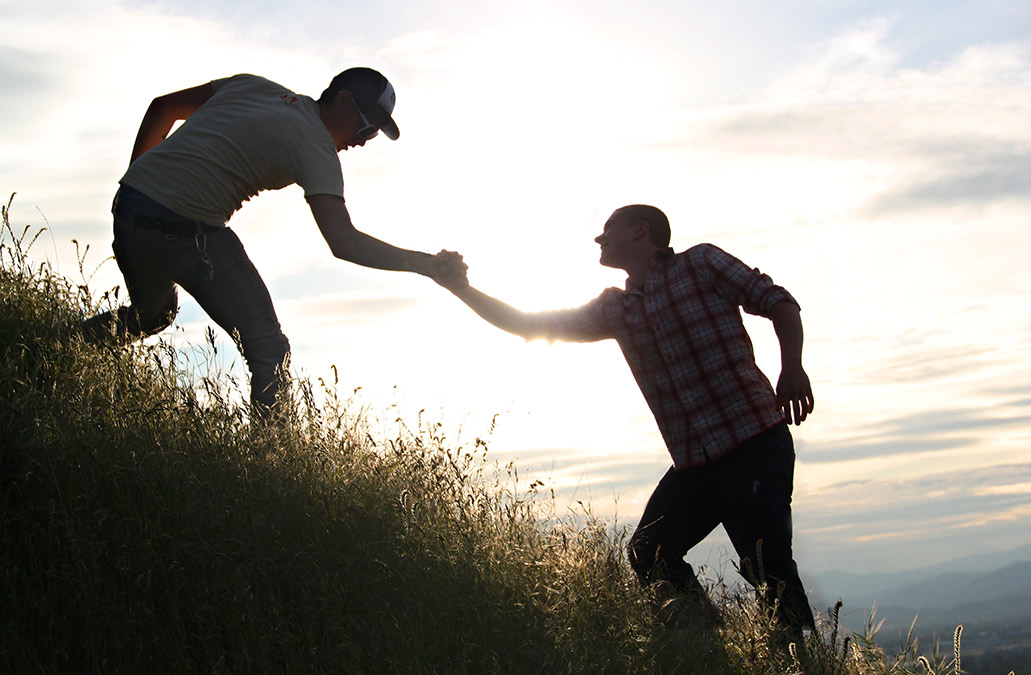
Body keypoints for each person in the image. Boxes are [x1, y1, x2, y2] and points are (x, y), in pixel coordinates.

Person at [434, 204, 817, 636]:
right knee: (649, 551)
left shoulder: (701, 262)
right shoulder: (616, 308)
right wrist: (461, 289)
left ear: (641, 230)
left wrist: (792, 368)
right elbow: (528, 323)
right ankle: (709, 644)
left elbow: (778, 301)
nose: (599, 238)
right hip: (696, 462)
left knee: (766, 564)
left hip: (753, 440)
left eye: (609, 228)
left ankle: (800, 657)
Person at [82, 67, 464, 413]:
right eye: (366, 129)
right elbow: (343, 241)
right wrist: (426, 264)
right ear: (343, 100)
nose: (363, 142)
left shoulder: (254, 86)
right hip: (185, 228)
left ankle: (53, 350)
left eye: (373, 135)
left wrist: (140, 182)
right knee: (269, 349)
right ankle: (269, 463)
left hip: (128, 210)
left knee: (153, 315)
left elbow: (163, 108)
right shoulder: (316, 147)